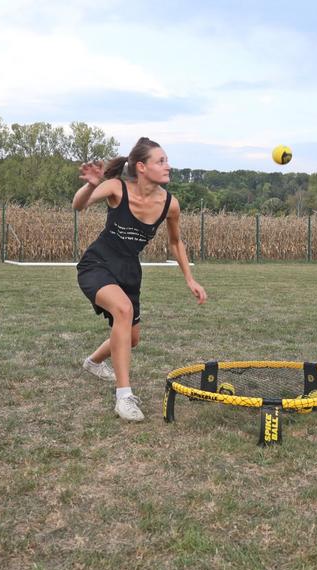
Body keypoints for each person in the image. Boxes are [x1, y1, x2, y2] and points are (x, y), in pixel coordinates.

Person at [73, 137, 206, 422]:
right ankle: (124, 397)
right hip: (97, 264)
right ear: (142, 167)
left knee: (131, 339)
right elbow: (78, 205)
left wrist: (190, 279)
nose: (168, 166)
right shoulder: (116, 187)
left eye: (167, 160)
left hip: (130, 272)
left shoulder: (170, 204)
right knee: (123, 310)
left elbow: (175, 243)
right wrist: (91, 185)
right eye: (161, 161)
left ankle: (93, 362)